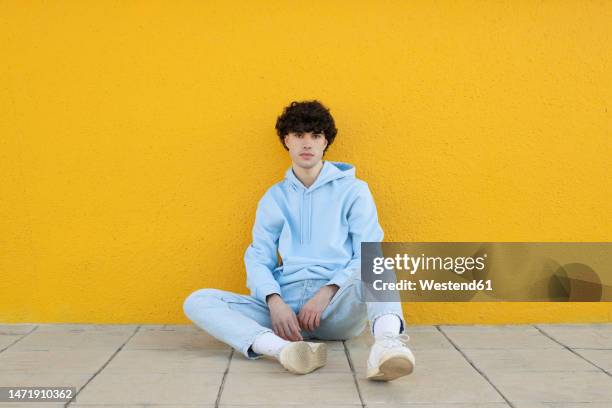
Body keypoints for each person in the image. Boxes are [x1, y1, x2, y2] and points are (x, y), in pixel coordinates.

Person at [183, 100, 415, 381]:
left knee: (377, 263)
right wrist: (274, 301)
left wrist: (327, 292)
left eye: (315, 136)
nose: (307, 144)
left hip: (336, 307)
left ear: (325, 141)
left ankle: (387, 346)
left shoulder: (354, 191)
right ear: (286, 141)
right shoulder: (275, 197)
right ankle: (286, 351)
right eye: (299, 135)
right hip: (286, 313)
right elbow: (259, 256)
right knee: (198, 301)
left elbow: (366, 253)